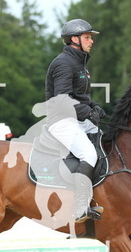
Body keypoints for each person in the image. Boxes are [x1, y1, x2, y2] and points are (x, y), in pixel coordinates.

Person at [45, 18, 105, 223]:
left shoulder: (80, 63)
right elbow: (62, 99)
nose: (91, 41)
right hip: (61, 120)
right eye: (87, 37)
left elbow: (78, 96)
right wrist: (87, 112)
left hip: (77, 119)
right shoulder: (63, 63)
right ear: (74, 39)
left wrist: (93, 106)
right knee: (88, 154)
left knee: (106, 143)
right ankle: (80, 207)